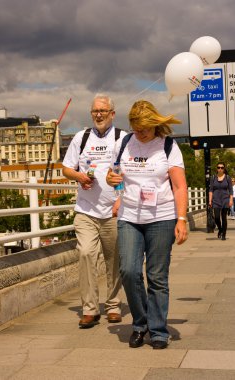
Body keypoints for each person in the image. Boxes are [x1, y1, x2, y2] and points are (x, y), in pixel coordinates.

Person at [106, 100, 188, 349]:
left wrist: (181, 219)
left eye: (145, 128)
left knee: (157, 276)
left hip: (162, 217)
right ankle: (140, 324)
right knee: (129, 271)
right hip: (130, 215)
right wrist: (111, 180)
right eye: (136, 128)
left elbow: (179, 185)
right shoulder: (123, 143)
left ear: (154, 124)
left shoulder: (168, 146)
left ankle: (158, 330)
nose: (140, 133)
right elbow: (114, 175)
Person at [62, 94, 127, 328]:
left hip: (113, 211)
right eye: (94, 111)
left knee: (113, 260)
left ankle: (112, 305)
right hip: (86, 210)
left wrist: (122, 199)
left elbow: (129, 173)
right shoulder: (82, 137)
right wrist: (79, 175)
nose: (98, 115)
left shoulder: (123, 138)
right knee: (86, 254)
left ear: (112, 113)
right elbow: (66, 169)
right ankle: (89, 309)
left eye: (103, 111)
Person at [209, 162, 233, 240]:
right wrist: (210, 201)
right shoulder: (213, 177)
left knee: (224, 218)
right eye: (218, 167)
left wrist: (231, 200)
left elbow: (230, 190)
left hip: (225, 200)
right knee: (216, 217)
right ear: (217, 169)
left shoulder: (227, 178)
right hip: (215, 200)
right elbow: (211, 190)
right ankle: (220, 229)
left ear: (224, 169)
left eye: (222, 168)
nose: (220, 169)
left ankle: (224, 235)